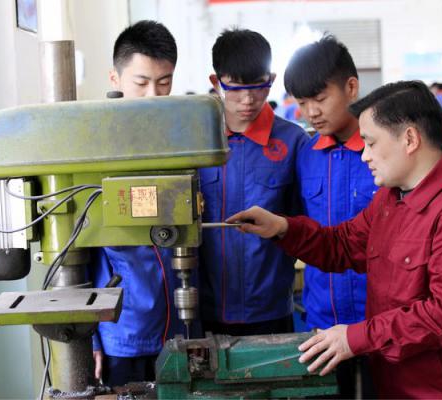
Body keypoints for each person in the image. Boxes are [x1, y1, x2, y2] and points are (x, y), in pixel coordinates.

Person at [227, 80, 442, 398]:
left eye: (371, 143)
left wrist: (355, 338)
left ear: (410, 139)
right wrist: (281, 227)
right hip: (396, 383)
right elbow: (344, 244)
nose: (365, 156)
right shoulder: (392, 198)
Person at [90, 20, 199, 387]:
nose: (154, 94)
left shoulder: (185, 142)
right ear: (115, 78)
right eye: (141, 83)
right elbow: (81, 251)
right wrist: (91, 338)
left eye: (164, 82)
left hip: (183, 324)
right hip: (124, 333)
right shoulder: (95, 149)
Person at [283, 34, 378, 398]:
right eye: (302, 102)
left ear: (351, 87)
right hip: (322, 322)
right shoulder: (306, 156)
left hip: (380, 322)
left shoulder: (382, 151)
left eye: (320, 99)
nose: (311, 112)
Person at [198, 28, 309, 336]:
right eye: (235, 88)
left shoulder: (294, 142)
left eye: (258, 86)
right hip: (203, 310)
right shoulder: (196, 142)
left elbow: (308, 226)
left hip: (271, 309)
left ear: (271, 80)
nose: (247, 99)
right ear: (216, 82)